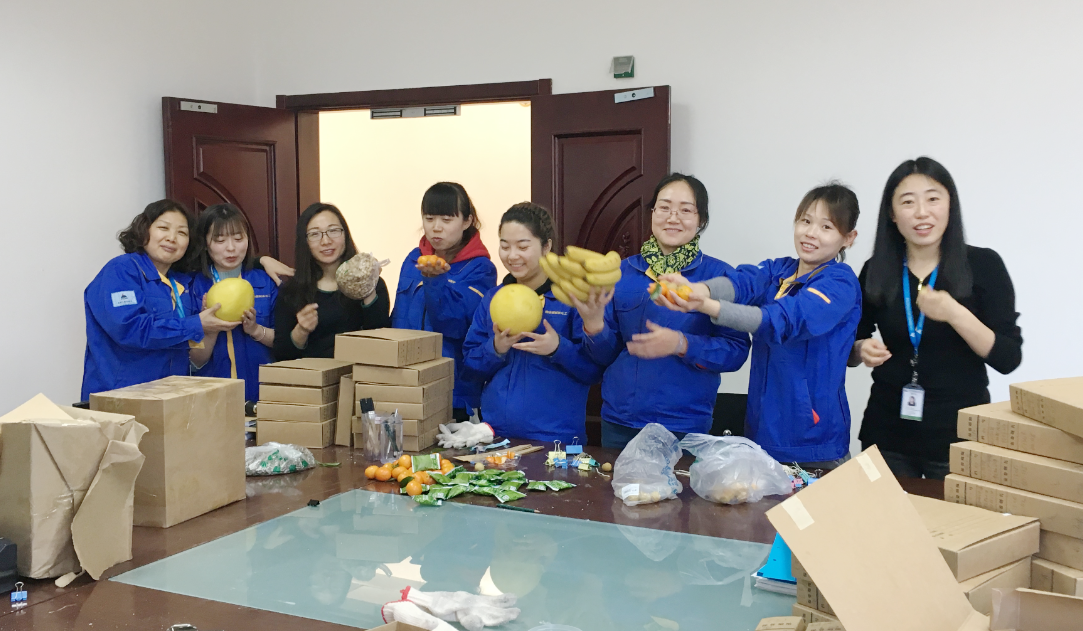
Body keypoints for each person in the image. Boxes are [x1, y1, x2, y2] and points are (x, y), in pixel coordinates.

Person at [657, 183, 862, 469]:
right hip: (762, 434)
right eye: (805, 221)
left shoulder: (840, 283)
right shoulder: (780, 269)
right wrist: (699, 289)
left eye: (826, 227)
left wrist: (706, 306)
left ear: (848, 238)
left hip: (814, 443)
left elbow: (781, 321)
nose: (811, 233)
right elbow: (743, 282)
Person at [851, 157, 1022, 479]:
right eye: (908, 202)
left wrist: (955, 313)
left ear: (950, 205)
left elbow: (1008, 357)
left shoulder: (983, 265)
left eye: (932, 199)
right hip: (886, 434)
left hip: (959, 437)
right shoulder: (877, 269)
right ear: (892, 213)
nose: (921, 212)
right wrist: (860, 349)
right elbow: (850, 344)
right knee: (883, 513)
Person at [573, 174, 752, 449]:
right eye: (664, 207)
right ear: (652, 213)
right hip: (621, 422)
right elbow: (604, 356)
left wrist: (682, 344)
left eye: (685, 210)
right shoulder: (620, 273)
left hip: (685, 425)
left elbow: (735, 351)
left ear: (701, 220)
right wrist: (593, 325)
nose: (673, 217)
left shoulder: (720, 278)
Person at [461, 203, 603, 443]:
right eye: (505, 246)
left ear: (546, 246)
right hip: (496, 435)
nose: (512, 255)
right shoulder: (493, 299)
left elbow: (594, 370)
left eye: (523, 246)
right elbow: (470, 368)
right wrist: (495, 348)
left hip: (556, 438)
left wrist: (558, 348)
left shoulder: (571, 298)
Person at [81, 200, 238, 399]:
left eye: (182, 233)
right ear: (144, 230)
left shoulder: (180, 284)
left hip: (169, 399)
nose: (172, 238)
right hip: (119, 399)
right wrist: (196, 323)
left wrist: (262, 261)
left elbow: (190, 354)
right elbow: (130, 330)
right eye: (163, 228)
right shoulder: (121, 270)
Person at [392, 183, 497, 421]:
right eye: (429, 218)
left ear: (467, 221)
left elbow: (456, 326)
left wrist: (435, 281)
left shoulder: (481, 269)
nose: (436, 227)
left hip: (454, 393)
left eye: (447, 219)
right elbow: (398, 318)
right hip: (406, 385)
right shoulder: (413, 259)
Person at [274, 203, 391, 359]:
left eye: (333, 231)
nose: (326, 241)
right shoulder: (291, 292)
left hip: (360, 373)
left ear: (345, 234)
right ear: (305, 242)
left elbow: (382, 342)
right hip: (314, 374)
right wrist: (301, 330)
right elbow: (282, 356)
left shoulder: (375, 284)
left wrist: (367, 289)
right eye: (315, 234)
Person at [189, 204, 277, 403]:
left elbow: (284, 342)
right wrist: (209, 330)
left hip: (264, 395)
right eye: (220, 240)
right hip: (213, 400)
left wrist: (256, 330)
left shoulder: (265, 282)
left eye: (238, 239)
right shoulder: (193, 287)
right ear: (205, 244)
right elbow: (195, 361)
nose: (231, 248)